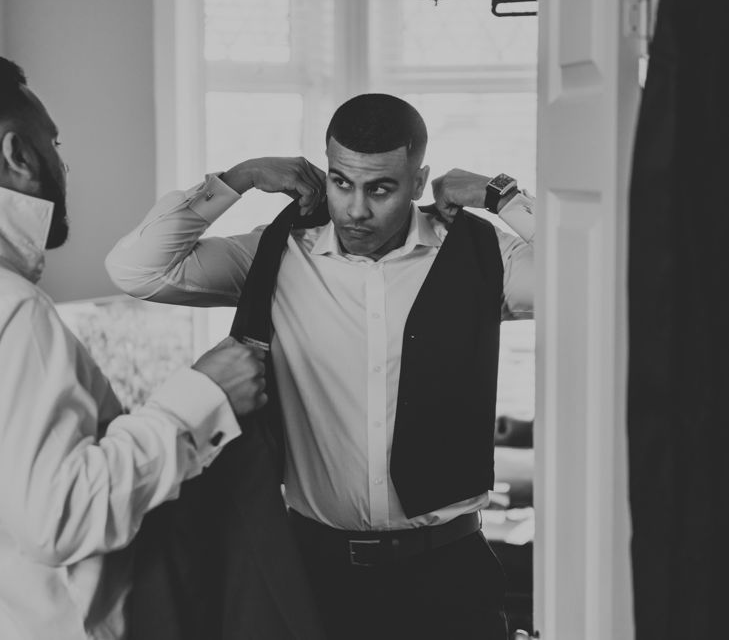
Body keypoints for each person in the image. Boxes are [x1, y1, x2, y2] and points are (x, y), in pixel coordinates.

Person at [106, 93, 534, 639]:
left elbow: (602, 272)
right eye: (341, 182)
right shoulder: (277, 254)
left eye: (381, 188)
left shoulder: (479, 255)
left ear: (419, 180)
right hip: (316, 570)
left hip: (449, 570)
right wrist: (238, 178)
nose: (356, 209)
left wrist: (503, 195)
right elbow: (136, 270)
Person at [0, 57, 270, 639]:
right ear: (18, 156)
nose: (63, 162)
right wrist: (203, 397)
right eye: (54, 141)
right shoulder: (14, 308)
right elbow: (57, 517)